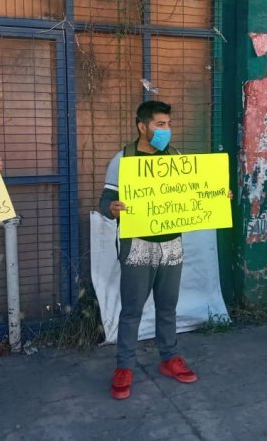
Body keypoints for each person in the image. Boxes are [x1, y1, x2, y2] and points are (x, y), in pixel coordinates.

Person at [99, 100, 197, 400]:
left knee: (168, 306)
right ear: (142, 126)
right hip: (138, 246)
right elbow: (105, 201)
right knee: (132, 310)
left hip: (171, 245)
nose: (167, 130)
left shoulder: (176, 158)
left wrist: (218, 195)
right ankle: (124, 367)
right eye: (160, 125)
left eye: (169, 125)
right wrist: (112, 208)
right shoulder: (123, 159)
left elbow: (193, 193)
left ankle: (169, 357)